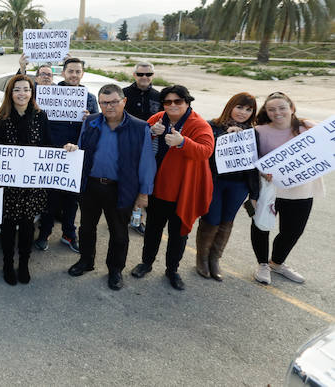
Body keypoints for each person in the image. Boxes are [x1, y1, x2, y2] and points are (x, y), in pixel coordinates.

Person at [71, 84, 156, 291]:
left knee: (119, 233)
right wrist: (72, 150)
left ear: (124, 101)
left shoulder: (139, 127)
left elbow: (146, 162)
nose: (109, 107)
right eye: (104, 103)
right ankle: (86, 261)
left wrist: (144, 193)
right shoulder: (90, 122)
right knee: (86, 228)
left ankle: (115, 270)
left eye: (113, 102)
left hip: (121, 188)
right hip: (90, 186)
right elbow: (80, 150)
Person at [130, 85, 214, 291]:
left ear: (187, 102)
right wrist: (150, 133)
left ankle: (172, 270)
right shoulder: (157, 118)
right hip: (157, 189)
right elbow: (138, 144)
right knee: (152, 230)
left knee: (178, 234)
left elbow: (206, 151)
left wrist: (183, 142)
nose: (173, 105)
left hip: (182, 192)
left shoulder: (198, 124)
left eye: (178, 101)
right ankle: (146, 263)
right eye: (168, 102)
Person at [251, 92, 323, 285]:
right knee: (261, 225)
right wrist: (262, 172)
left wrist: (310, 125)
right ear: (266, 112)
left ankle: (277, 262)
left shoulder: (306, 128)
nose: (278, 112)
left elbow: (326, 144)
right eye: (272, 109)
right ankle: (262, 264)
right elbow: (252, 160)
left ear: (292, 108)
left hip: (302, 190)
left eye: (282, 108)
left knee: (293, 231)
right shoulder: (259, 131)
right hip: (271, 190)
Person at [0, 74, 54, 286]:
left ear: (31, 93)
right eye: (17, 89)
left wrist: (67, 150)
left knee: (27, 226)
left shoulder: (40, 116)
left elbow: (47, 146)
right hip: (8, 184)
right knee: (7, 226)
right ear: (10, 93)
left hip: (32, 184)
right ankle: (8, 264)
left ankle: (24, 263)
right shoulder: (1, 118)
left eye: (26, 89)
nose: (22, 93)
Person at [34, 57, 99, 254]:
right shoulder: (49, 92)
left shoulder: (89, 97)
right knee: (49, 197)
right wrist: (21, 69)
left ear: (82, 74)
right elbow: (25, 95)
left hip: (76, 155)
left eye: (77, 71)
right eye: (70, 71)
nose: (74, 75)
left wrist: (91, 119)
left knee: (72, 199)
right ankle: (44, 233)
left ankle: (69, 234)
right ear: (63, 73)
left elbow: (98, 127)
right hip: (53, 153)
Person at [195, 93, 259, 281]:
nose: (243, 113)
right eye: (239, 107)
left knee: (226, 221)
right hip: (215, 182)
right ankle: (202, 259)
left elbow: (254, 165)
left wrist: (254, 193)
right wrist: (225, 137)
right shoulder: (211, 126)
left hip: (239, 185)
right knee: (211, 219)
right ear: (230, 106)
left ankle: (215, 259)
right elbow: (204, 153)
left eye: (249, 110)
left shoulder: (252, 132)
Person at [123, 61, 161, 234]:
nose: (144, 77)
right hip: (127, 145)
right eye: (140, 74)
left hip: (151, 146)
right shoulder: (124, 94)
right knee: (126, 181)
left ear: (153, 75)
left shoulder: (159, 96)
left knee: (145, 183)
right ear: (134, 75)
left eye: (148, 74)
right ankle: (121, 215)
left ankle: (138, 218)